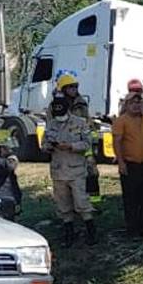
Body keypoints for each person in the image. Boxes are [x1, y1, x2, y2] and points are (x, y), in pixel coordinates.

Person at [44, 94, 97, 246]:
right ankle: (69, 233)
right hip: (58, 170)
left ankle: (91, 232)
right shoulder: (51, 124)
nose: (59, 117)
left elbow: (88, 143)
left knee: (82, 202)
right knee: (63, 204)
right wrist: (48, 146)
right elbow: (44, 144)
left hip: (76, 170)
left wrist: (71, 146)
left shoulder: (79, 123)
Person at [113, 93, 143, 238]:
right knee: (131, 199)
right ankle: (132, 230)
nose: (135, 105)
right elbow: (117, 142)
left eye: (138, 102)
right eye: (132, 103)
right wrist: (121, 162)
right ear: (126, 105)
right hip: (130, 165)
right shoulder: (121, 121)